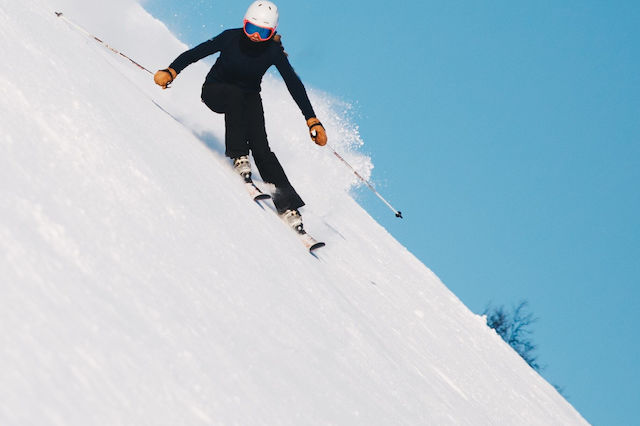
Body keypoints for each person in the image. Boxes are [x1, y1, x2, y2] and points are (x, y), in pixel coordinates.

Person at [153, 0, 327, 232]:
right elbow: (197, 53)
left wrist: (311, 119)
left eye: (263, 32)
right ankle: (238, 155)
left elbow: (293, 83)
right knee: (235, 95)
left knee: (262, 147)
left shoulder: (273, 52)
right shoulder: (230, 37)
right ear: (244, 25)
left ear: (272, 32)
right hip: (215, 91)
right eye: (251, 29)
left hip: (248, 97)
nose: (255, 36)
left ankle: (288, 207)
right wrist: (171, 70)